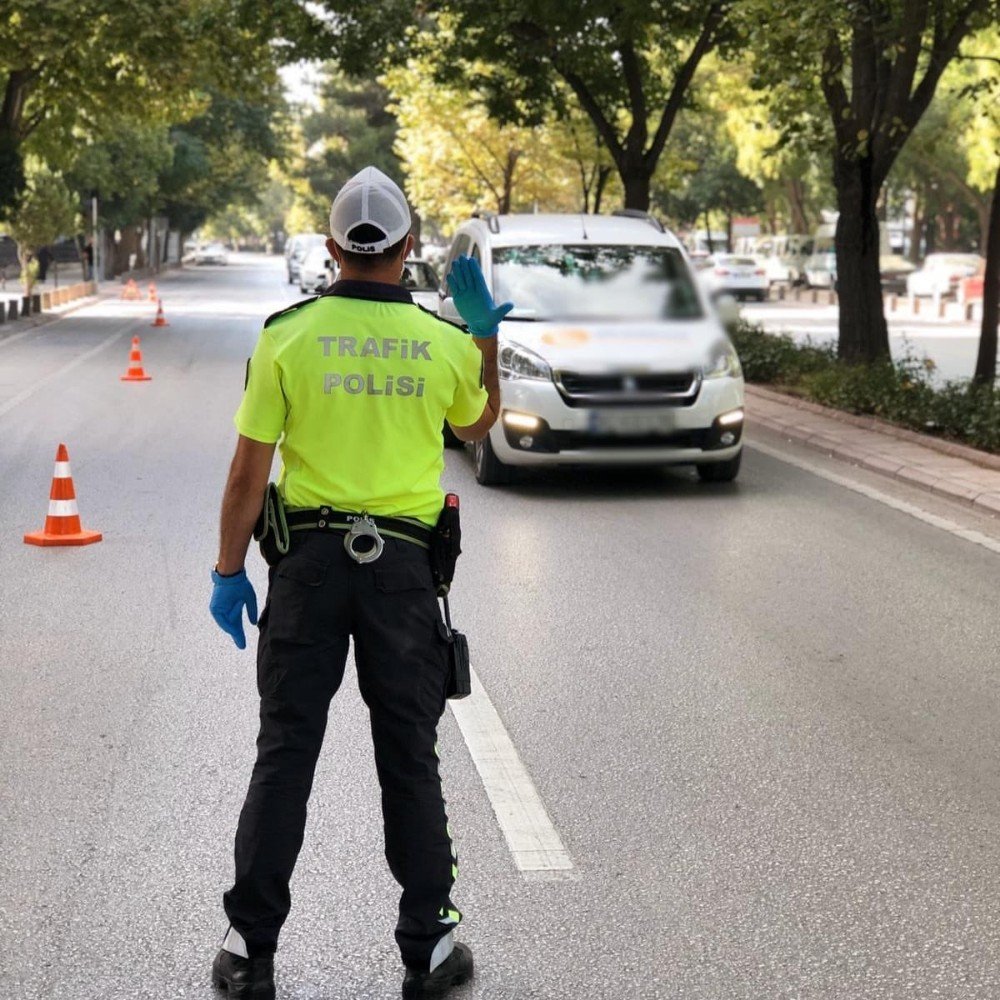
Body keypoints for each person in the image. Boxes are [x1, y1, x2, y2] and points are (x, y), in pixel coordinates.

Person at [208, 165, 511, 1000]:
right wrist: (483, 334)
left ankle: (247, 948)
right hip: (404, 580)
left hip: (305, 572)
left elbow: (245, 475)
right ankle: (431, 948)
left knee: (285, 754)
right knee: (409, 758)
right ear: (409, 249)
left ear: (333, 246)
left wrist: (229, 570)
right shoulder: (442, 342)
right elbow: (479, 421)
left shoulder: (287, 336)